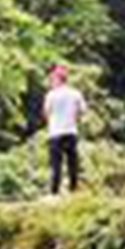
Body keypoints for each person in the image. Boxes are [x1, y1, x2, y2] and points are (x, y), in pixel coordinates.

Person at [42, 64, 84, 195]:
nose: (51, 82)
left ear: (57, 79)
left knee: (56, 164)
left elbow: (45, 113)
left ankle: (54, 191)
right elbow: (82, 111)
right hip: (71, 131)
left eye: (52, 79)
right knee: (72, 163)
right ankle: (73, 188)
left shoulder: (51, 95)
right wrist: (73, 118)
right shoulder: (76, 93)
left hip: (55, 133)